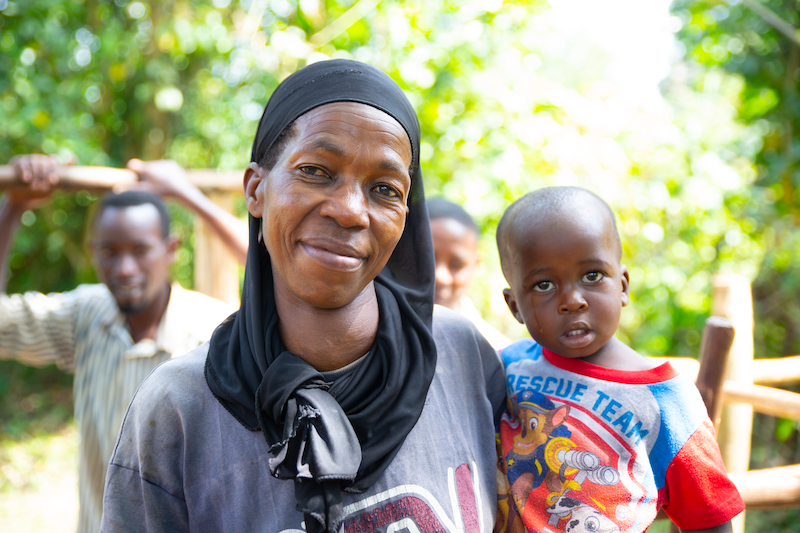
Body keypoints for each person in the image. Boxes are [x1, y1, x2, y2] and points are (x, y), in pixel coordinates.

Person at [101, 59, 506, 533]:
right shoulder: (177, 409)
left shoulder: (463, 355)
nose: (351, 211)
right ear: (256, 190)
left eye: (384, 189)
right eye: (315, 170)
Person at [0, 154, 248, 533]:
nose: (124, 269)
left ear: (170, 249)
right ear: (92, 251)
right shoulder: (85, 317)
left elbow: (282, 275)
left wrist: (187, 193)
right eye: (109, 252)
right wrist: (14, 205)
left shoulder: (212, 333)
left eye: (140, 250)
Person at [493, 186, 743, 533]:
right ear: (515, 305)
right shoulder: (507, 367)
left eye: (592, 275)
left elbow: (710, 519)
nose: (573, 300)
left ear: (623, 285)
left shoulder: (668, 402)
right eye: (544, 285)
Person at [428, 197, 510, 350]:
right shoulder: (373, 331)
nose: (440, 277)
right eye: (426, 259)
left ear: (475, 265)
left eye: (457, 265)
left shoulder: (497, 353)